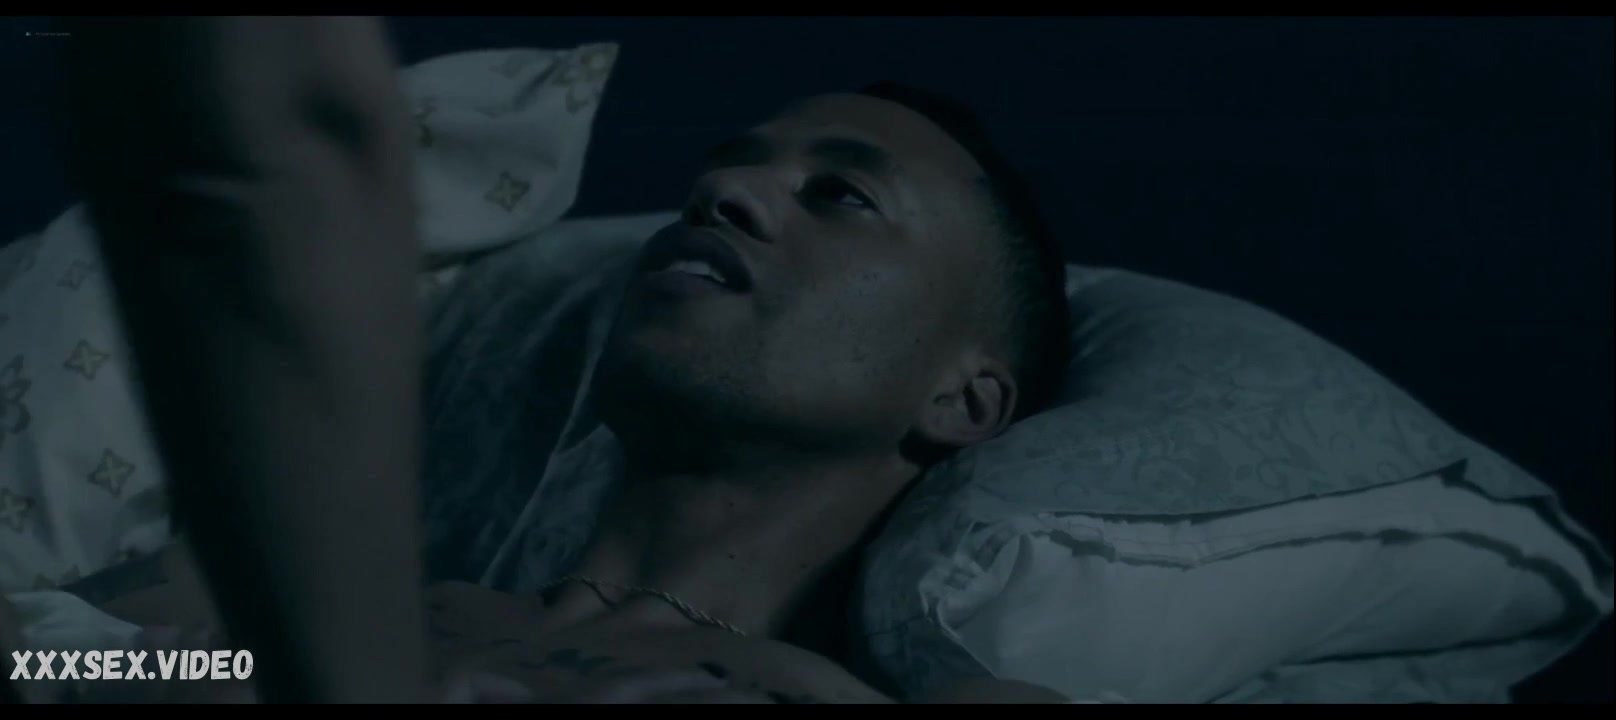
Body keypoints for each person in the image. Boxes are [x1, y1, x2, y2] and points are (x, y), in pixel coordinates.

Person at [4, 17, 1070, 704]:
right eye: (726, 170)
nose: (722, 194)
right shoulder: (246, 589)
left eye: (840, 194)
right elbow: (42, 659)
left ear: (964, 399)